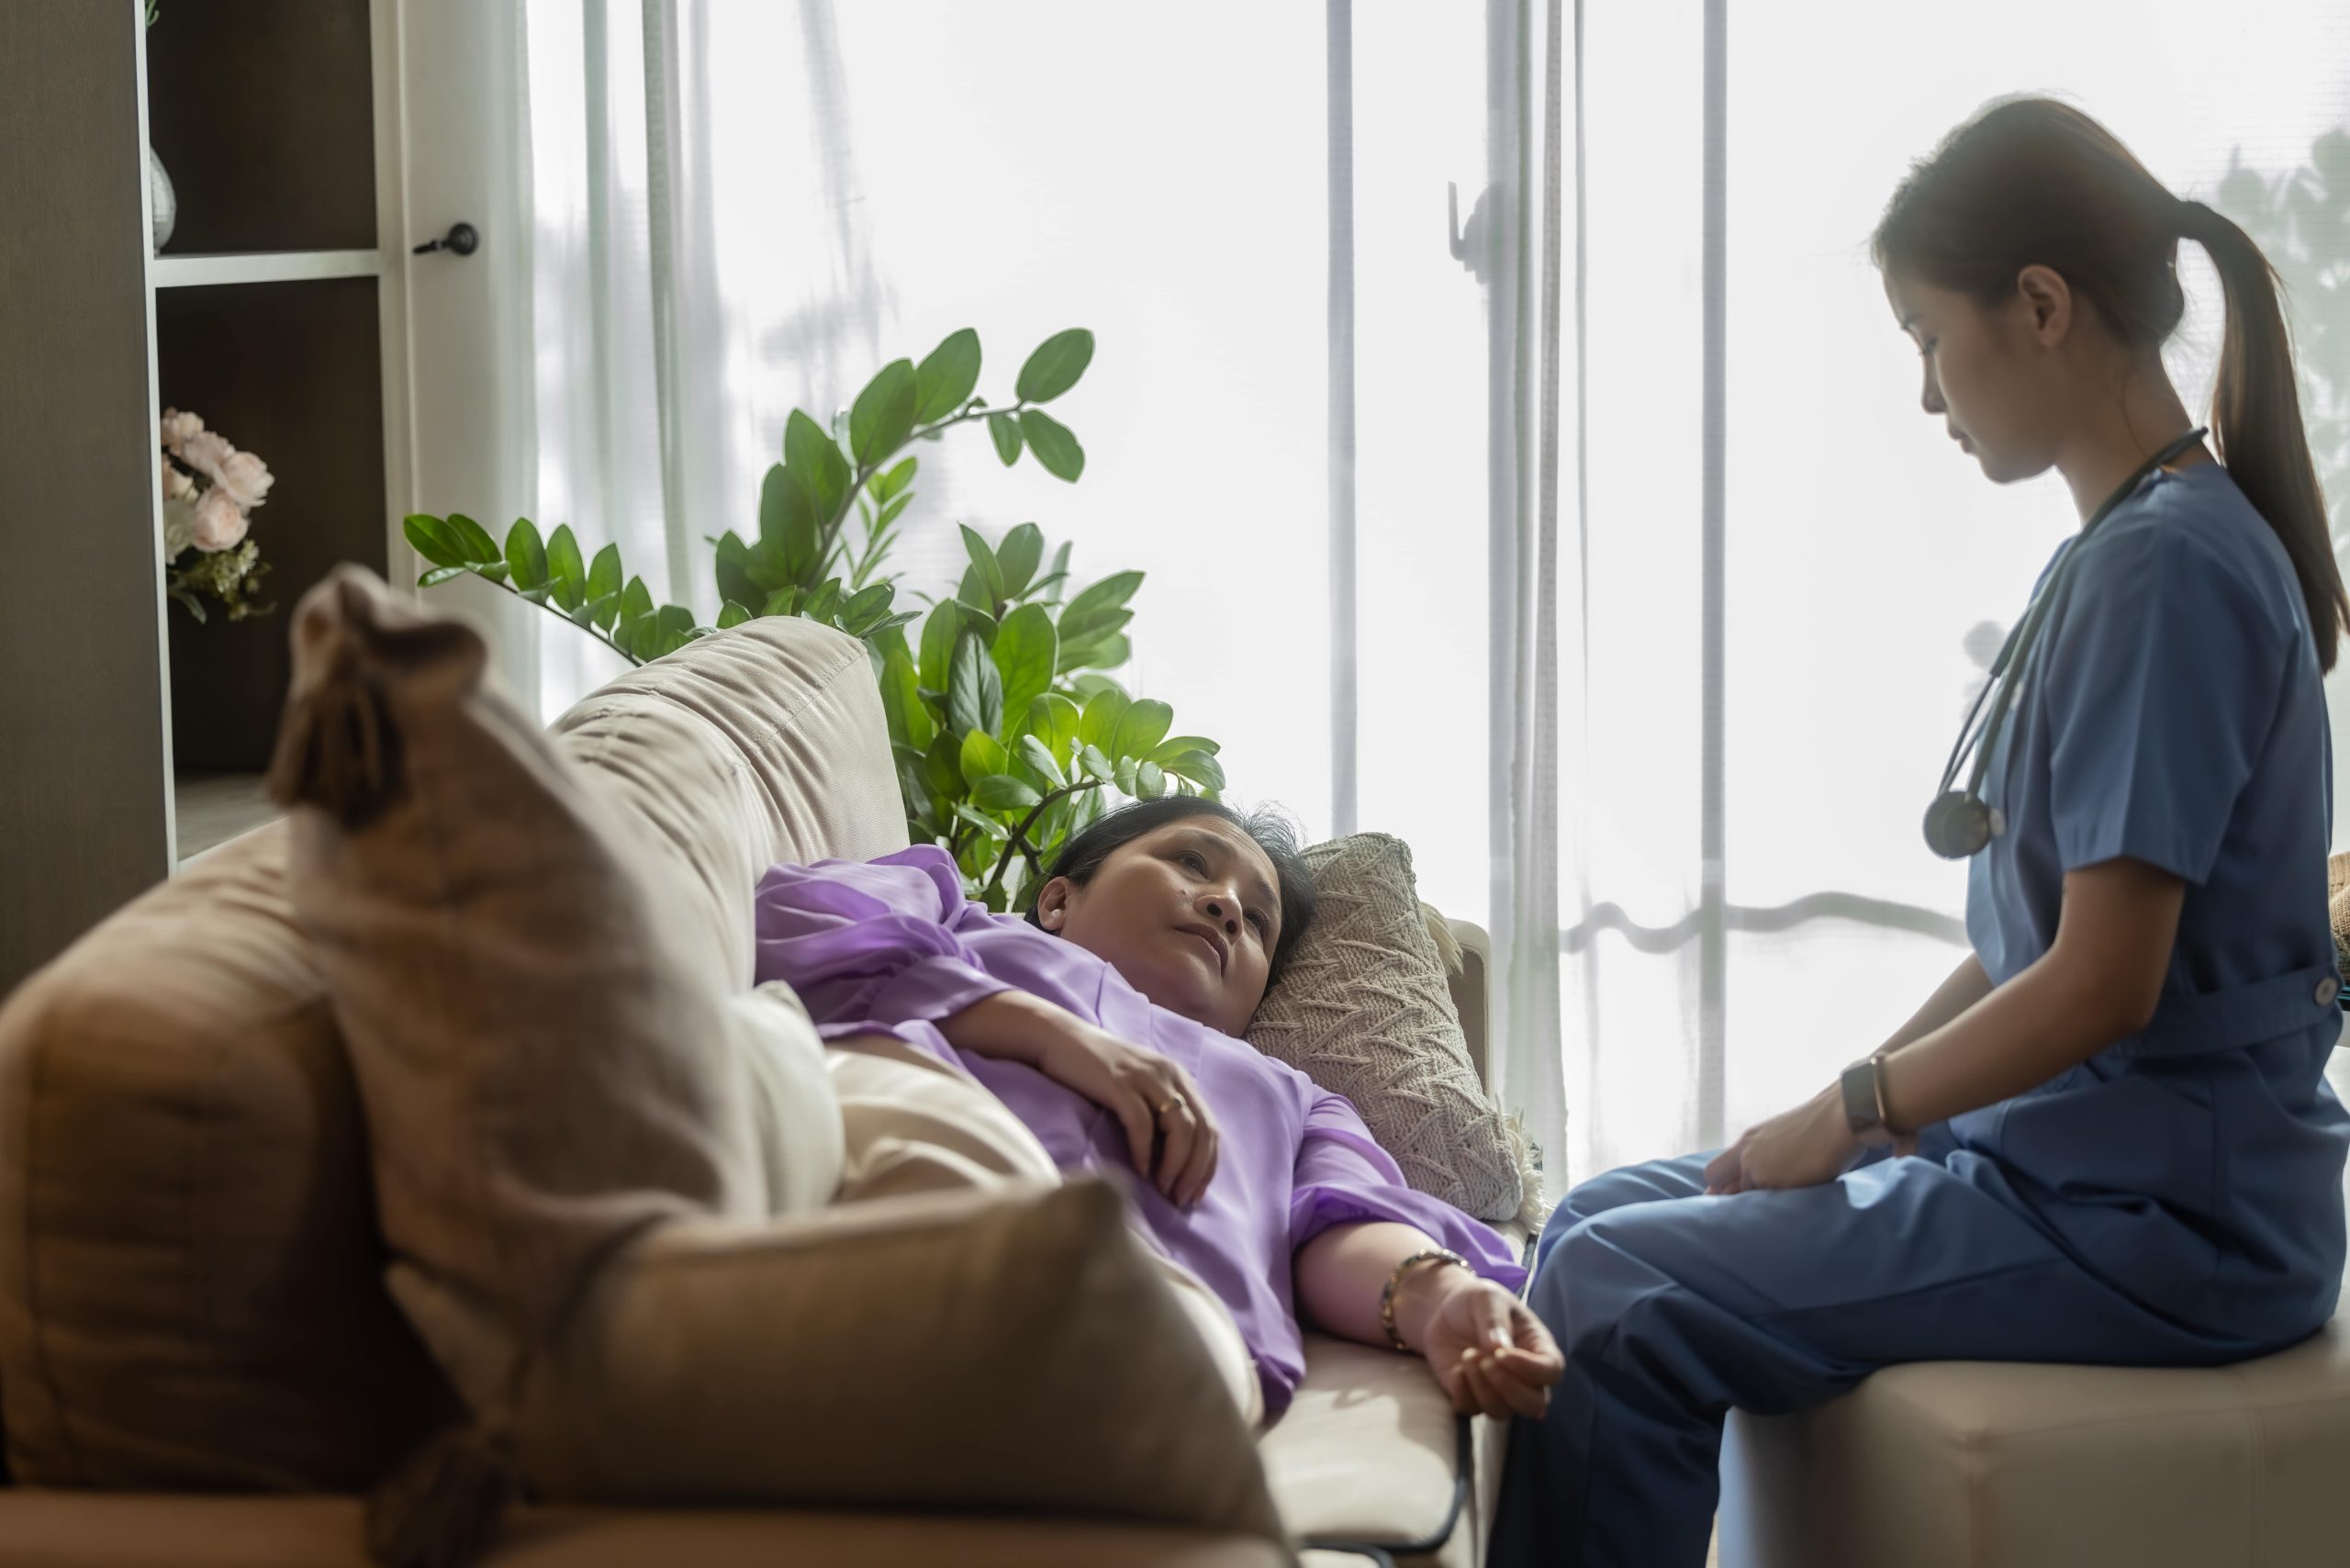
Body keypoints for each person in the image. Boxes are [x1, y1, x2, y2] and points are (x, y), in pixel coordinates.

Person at [1491, 96, 2350, 1567]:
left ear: (2039, 306)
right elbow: (2025, 952)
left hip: (2167, 1224)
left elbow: (2105, 985)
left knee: (1621, 1294)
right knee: (1591, 1215)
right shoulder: (2120, 555)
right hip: (2070, 1172)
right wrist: (1843, 1111)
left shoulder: (2171, 572)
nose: (1929, 395)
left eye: (1925, 339)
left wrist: (1857, 1110)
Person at [753, 796, 1564, 1424]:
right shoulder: (961, 923)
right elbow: (790, 917)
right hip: (891, 1145)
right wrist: (1042, 1032)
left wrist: (1436, 1298)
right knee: (765, 1050)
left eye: (1258, 921)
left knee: (1187, 1356)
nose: (1226, 907)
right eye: (1190, 862)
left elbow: (1341, 1223)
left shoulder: (1292, 1099)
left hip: (1146, 1316)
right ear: (1059, 899)